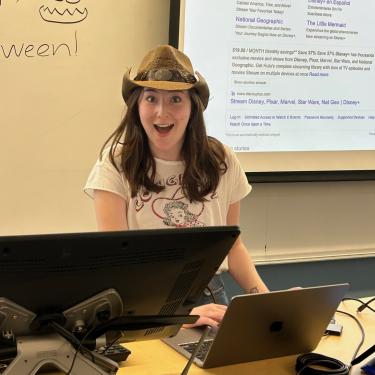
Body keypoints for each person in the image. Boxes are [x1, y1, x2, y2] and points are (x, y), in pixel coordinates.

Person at [84, 44, 268, 327]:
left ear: (194, 106)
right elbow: (117, 268)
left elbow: (233, 247)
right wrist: (177, 316)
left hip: (211, 295)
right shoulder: (114, 164)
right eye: (151, 98)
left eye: (175, 99)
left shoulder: (222, 160)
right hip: (144, 303)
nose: (161, 112)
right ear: (137, 105)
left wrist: (266, 303)